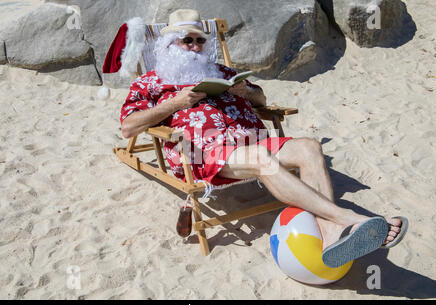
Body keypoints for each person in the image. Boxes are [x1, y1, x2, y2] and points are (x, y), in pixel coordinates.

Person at [115, 9, 408, 267]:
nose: (194, 46)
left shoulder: (221, 71)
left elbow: (262, 99)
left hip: (251, 141)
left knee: (309, 147)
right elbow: (128, 127)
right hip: (203, 153)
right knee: (260, 158)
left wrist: (248, 92)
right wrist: (175, 104)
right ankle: (348, 218)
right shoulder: (151, 82)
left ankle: (331, 235)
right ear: (169, 44)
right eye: (186, 40)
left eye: (199, 40)